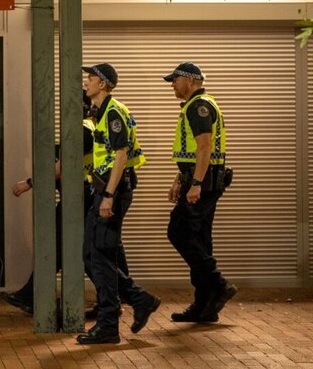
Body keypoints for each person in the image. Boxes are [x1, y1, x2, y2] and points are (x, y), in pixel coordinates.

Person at [77, 63, 161, 345]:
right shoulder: (102, 112)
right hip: (104, 191)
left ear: (103, 84)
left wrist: (109, 196)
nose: (86, 83)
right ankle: (139, 298)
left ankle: (109, 325)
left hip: (112, 193)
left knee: (99, 257)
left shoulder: (113, 112)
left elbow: (121, 157)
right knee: (91, 255)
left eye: (90, 79)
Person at [1, 92, 96, 315]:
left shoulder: (80, 130)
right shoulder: (86, 127)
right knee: (62, 250)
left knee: (77, 252)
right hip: (79, 198)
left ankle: (123, 295)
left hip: (78, 200)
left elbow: (61, 169)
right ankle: (30, 295)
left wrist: (29, 183)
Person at [163, 62, 237, 323]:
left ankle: (219, 284)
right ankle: (205, 305)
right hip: (202, 181)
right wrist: (179, 179)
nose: (172, 84)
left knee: (178, 232)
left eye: (175, 79)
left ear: (191, 81)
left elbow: (204, 147)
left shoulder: (199, 106)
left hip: (203, 185)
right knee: (201, 241)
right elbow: (193, 152)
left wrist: (194, 184)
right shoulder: (196, 105)